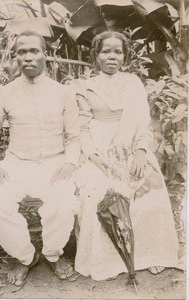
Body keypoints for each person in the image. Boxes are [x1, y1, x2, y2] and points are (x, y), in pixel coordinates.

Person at [0, 30, 80, 286]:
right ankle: (25, 257)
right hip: (16, 166)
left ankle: (54, 256)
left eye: (34, 51)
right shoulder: (4, 92)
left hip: (55, 164)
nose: (28, 57)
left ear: (46, 55)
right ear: (15, 57)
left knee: (63, 206)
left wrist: (69, 163)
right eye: (21, 52)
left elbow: (75, 137)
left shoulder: (63, 92)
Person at [74, 31, 179, 281]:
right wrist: (95, 157)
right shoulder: (84, 86)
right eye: (106, 51)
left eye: (117, 52)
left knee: (151, 192)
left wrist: (141, 153)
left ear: (124, 56)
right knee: (98, 196)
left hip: (132, 149)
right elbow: (81, 127)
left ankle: (151, 254)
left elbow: (143, 123)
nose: (112, 56)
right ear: (96, 56)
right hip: (99, 153)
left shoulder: (133, 83)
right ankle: (107, 260)